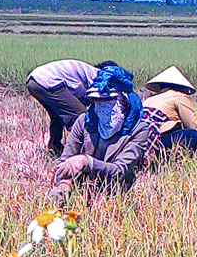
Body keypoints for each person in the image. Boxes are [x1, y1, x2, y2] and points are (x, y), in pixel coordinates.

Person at [48, 65, 154, 204]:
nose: (102, 107)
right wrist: (64, 182)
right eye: (97, 101)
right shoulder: (84, 122)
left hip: (116, 192)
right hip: (83, 188)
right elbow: (66, 159)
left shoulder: (139, 129)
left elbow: (120, 169)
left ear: (124, 101)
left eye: (108, 101)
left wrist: (88, 162)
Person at [26, 60, 117, 156]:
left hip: (34, 81)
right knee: (80, 116)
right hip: (47, 81)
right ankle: (82, 153)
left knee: (58, 115)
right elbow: (88, 99)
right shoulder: (97, 76)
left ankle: (55, 148)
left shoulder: (85, 71)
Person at [142, 66, 197, 155]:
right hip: (157, 137)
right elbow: (192, 125)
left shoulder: (148, 99)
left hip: (141, 138)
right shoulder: (179, 96)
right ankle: (172, 158)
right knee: (193, 135)